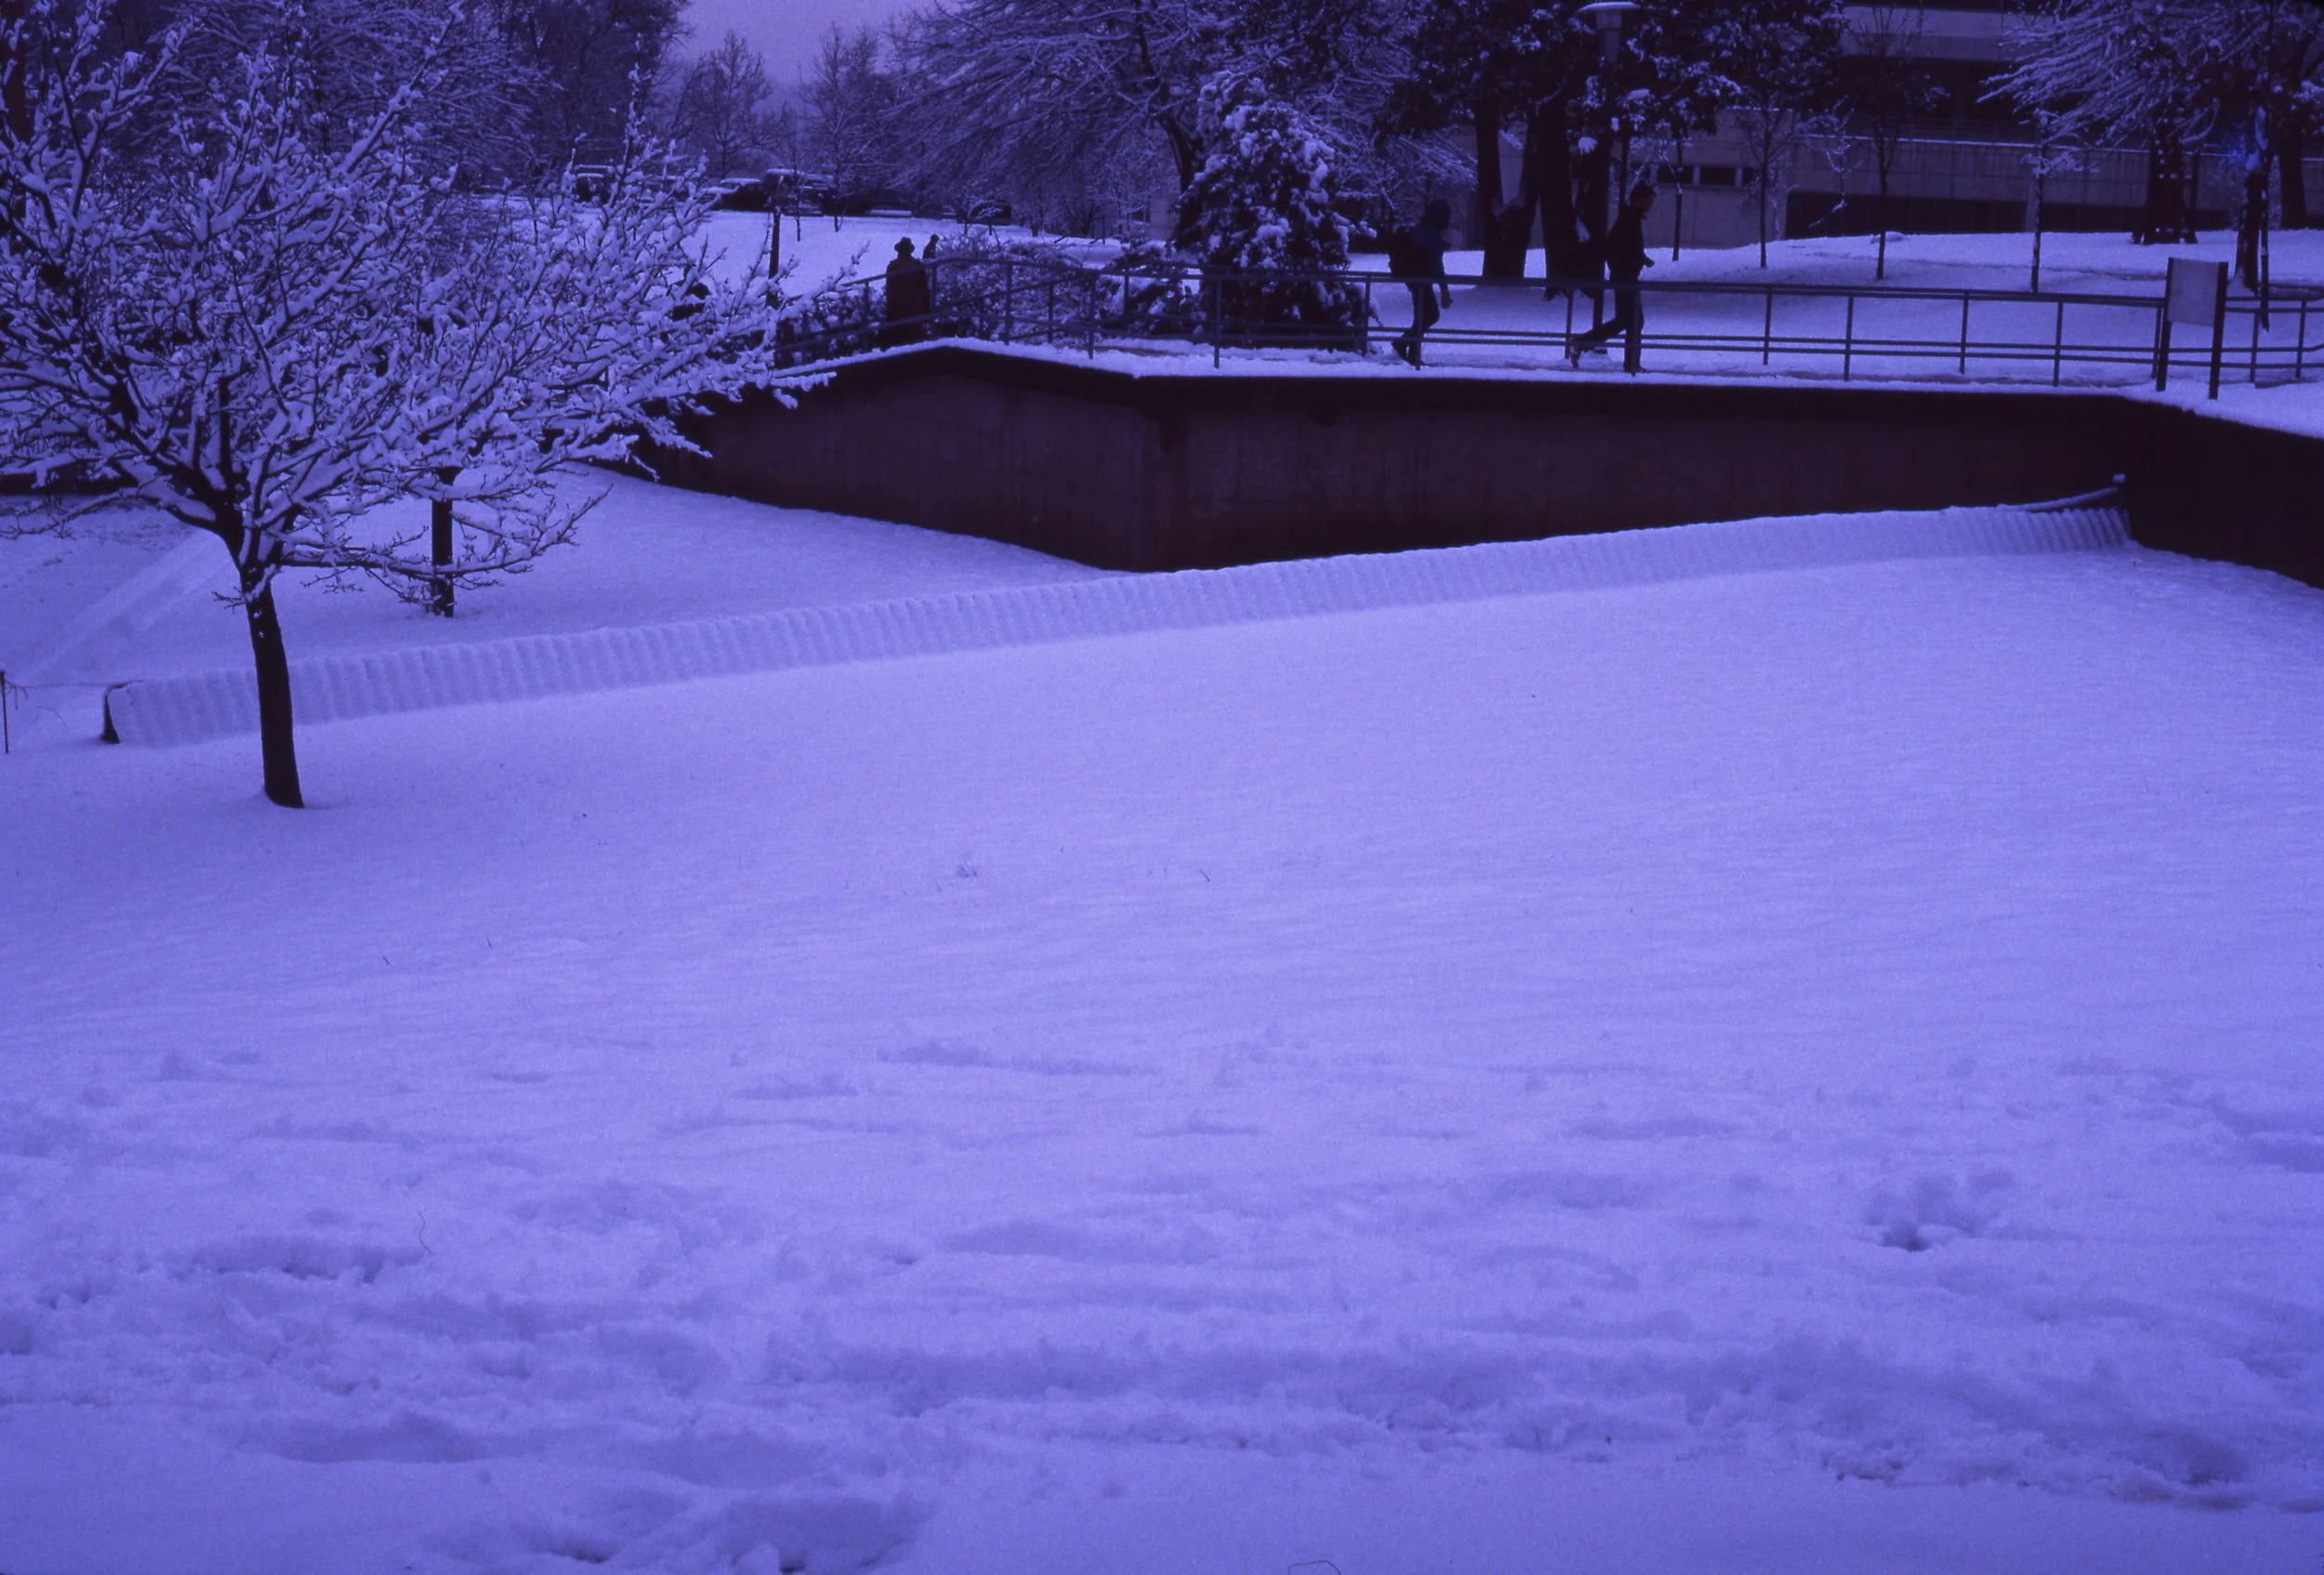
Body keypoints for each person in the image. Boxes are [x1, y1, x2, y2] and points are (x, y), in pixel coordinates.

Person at [1567, 183, 1656, 366]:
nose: (1651, 205)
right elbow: (1620, 248)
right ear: (1640, 199)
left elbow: (1622, 247)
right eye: (1649, 200)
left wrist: (1640, 259)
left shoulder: (1629, 218)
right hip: (1625, 278)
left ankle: (1582, 344)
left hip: (1624, 276)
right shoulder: (1629, 219)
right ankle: (1630, 364)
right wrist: (1636, 261)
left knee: (1626, 320)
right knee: (1634, 320)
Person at [1389, 198, 1455, 366]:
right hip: (1421, 281)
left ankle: (1412, 353)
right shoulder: (1433, 235)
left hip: (1413, 279)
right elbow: (1437, 265)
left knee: (1423, 316)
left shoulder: (1419, 230)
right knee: (1430, 315)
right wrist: (1445, 291)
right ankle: (1404, 344)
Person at [881, 237, 933, 348]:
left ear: (899, 250)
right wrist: (927, 310)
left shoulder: (893, 266)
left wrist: (889, 310)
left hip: (897, 309)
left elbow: (890, 291)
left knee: (898, 343)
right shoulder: (917, 265)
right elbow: (924, 289)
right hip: (914, 308)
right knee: (914, 341)